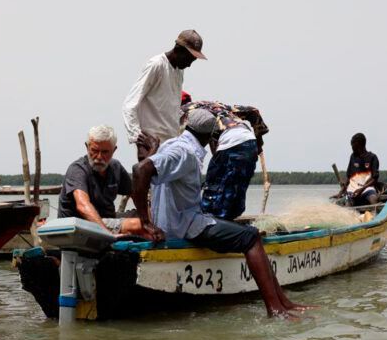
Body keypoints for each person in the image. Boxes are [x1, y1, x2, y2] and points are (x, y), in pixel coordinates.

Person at [131, 109, 310, 319]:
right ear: (209, 137)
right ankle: (276, 309)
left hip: (180, 222)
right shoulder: (185, 152)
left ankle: (284, 303)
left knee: (243, 231)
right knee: (251, 237)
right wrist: (145, 222)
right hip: (187, 227)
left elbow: (146, 171)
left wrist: (152, 151)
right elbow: (140, 170)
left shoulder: (172, 145)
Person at [122, 30, 207, 161]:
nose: (190, 65)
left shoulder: (179, 72)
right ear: (179, 49)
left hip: (171, 145)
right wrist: (138, 141)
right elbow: (129, 105)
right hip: (151, 145)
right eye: (189, 58)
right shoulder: (156, 65)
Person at [181, 99, 269, 220]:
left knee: (213, 189)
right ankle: (231, 222)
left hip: (230, 143)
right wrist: (258, 142)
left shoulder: (188, 111)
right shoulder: (221, 107)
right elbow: (254, 111)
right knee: (237, 189)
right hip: (249, 141)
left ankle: (212, 224)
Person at [57, 125, 148, 236]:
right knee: (139, 225)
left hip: (107, 219)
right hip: (80, 225)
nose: (99, 157)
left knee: (152, 217)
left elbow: (135, 194)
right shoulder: (78, 169)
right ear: (87, 147)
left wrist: (147, 215)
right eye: (94, 150)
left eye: (105, 152)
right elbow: (82, 205)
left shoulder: (116, 167)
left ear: (114, 150)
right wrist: (107, 235)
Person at [333, 132, 380, 206]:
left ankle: (375, 215)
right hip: (352, 191)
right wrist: (341, 192)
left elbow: (375, 179)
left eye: (352, 145)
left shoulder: (372, 157)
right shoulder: (353, 157)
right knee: (348, 205)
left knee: (373, 199)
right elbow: (349, 178)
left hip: (367, 189)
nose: (351, 147)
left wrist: (361, 189)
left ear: (358, 144)